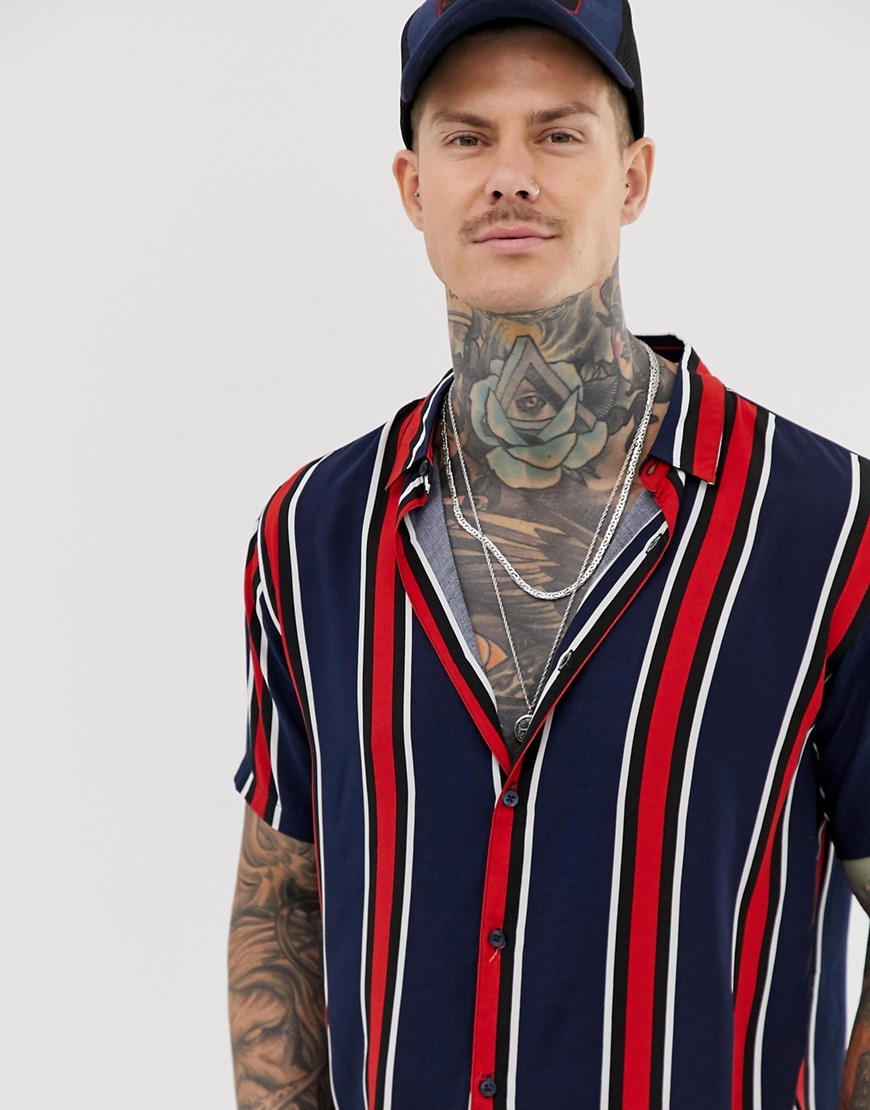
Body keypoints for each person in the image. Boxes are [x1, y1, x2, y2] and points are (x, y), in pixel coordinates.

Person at [227, 1, 870, 1106]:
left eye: (559, 132)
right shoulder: (312, 535)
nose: (511, 176)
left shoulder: (828, 528)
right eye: (467, 136)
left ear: (633, 176)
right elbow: (282, 903)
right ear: (412, 186)